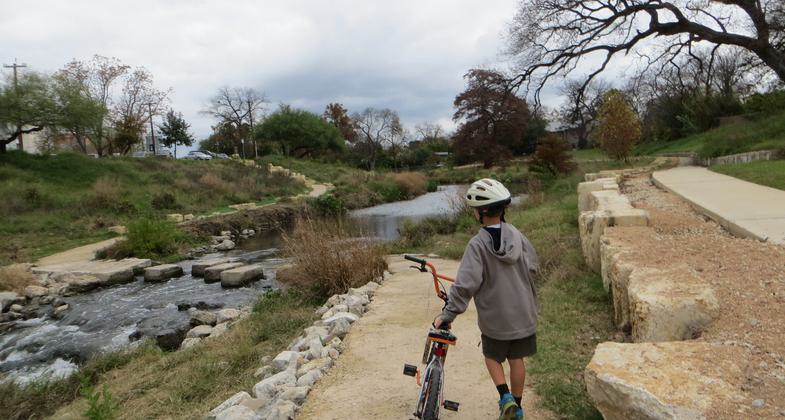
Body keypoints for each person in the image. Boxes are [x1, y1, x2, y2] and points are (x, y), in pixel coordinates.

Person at [434, 178, 539, 420]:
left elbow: (465, 284)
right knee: (517, 359)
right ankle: (518, 408)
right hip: (523, 312)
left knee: (492, 356)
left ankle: (505, 397)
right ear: (503, 209)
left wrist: (448, 314)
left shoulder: (477, 244)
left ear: (481, 212)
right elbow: (533, 266)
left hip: (496, 318)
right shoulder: (518, 236)